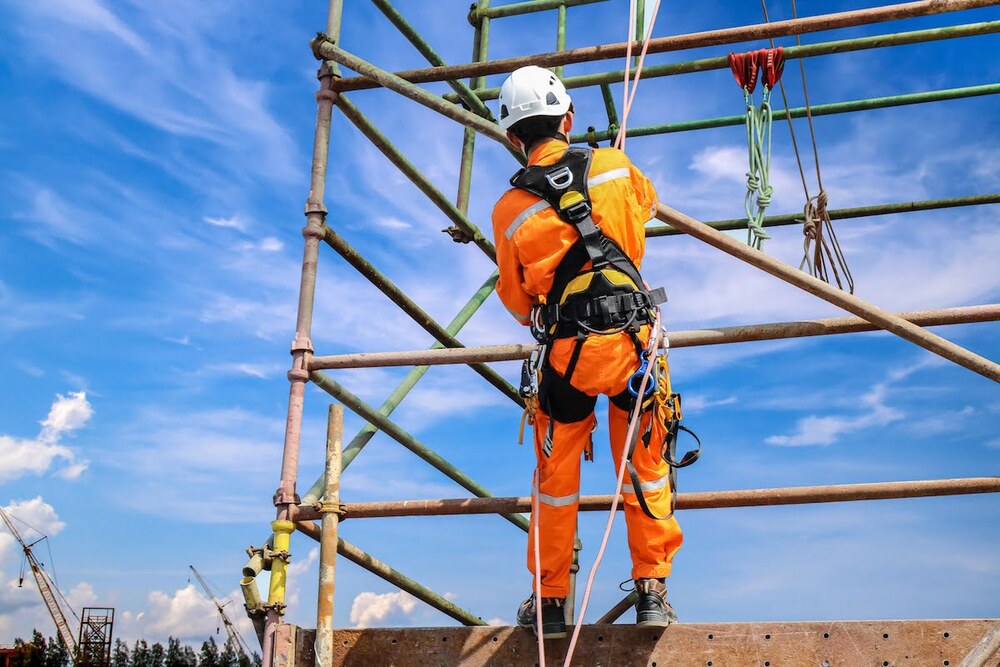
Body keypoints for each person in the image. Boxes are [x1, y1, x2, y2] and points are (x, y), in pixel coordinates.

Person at [491, 65, 683, 638]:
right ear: (568, 120)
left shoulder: (509, 209)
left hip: (567, 358)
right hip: (634, 349)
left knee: (555, 482)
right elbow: (646, 207)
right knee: (645, 467)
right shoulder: (614, 167)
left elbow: (516, 299)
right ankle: (651, 589)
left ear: (512, 137)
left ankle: (550, 602)